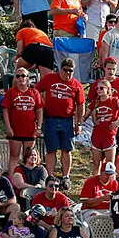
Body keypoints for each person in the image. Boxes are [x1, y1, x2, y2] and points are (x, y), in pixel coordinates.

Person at [36, 58, 85, 187]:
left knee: (66, 149)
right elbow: (36, 91)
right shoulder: (49, 78)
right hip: (50, 118)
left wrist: (79, 123)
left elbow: (80, 105)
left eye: (71, 71)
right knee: (51, 149)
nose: (68, 73)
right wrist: (41, 104)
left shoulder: (77, 85)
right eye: (66, 70)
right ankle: (51, 176)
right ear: (60, 69)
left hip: (67, 120)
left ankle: (65, 176)